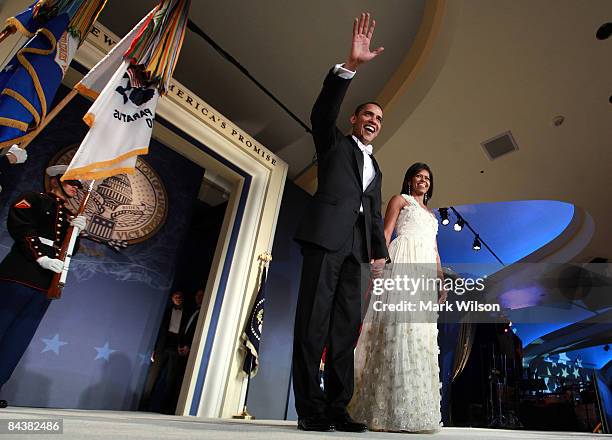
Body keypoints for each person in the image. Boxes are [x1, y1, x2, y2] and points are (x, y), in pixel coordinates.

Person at [292, 12, 388, 433]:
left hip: (356, 253)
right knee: (313, 324)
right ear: (354, 119)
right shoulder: (333, 144)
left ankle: (336, 408)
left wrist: (378, 254)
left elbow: (372, 207)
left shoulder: (376, 166)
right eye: (367, 114)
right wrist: (351, 67)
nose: (373, 120)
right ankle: (310, 409)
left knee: (345, 330)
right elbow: (320, 112)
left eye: (379, 118)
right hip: (325, 241)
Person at [348, 162, 446, 433]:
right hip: (402, 263)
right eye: (418, 176)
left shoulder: (432, 216)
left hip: (424, 273)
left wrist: (441, 282)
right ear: (410, 180)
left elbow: (435, 252)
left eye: (427, 178)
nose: (423, 181)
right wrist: (375, 268)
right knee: (397, 329)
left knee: (419, 336)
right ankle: (383, 407)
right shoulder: (399, 200)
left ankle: (413, 409)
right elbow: (386, 232)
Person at [0, 164, 86, 408]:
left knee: (18, 339)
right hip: (19, 273)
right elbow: (22, 226)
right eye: (70, 182)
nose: (74, 188)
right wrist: (40, 257)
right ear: (54, 181)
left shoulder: (69, 216)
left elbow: (70, 251)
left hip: (45, 284)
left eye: (77, 185)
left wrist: (76, 231)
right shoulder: (33, 199)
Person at [142, 290, 188, 414]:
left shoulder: (187, 313)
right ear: (172, 298)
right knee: (153, 375)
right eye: (176, 297)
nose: (178, 298)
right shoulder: (166, 312)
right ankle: (144, 405)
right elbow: (159, 331)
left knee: (170, 378)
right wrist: (155, 348)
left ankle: (165, 408)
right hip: (163, 345)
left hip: (176, 347)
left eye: (180, 297)